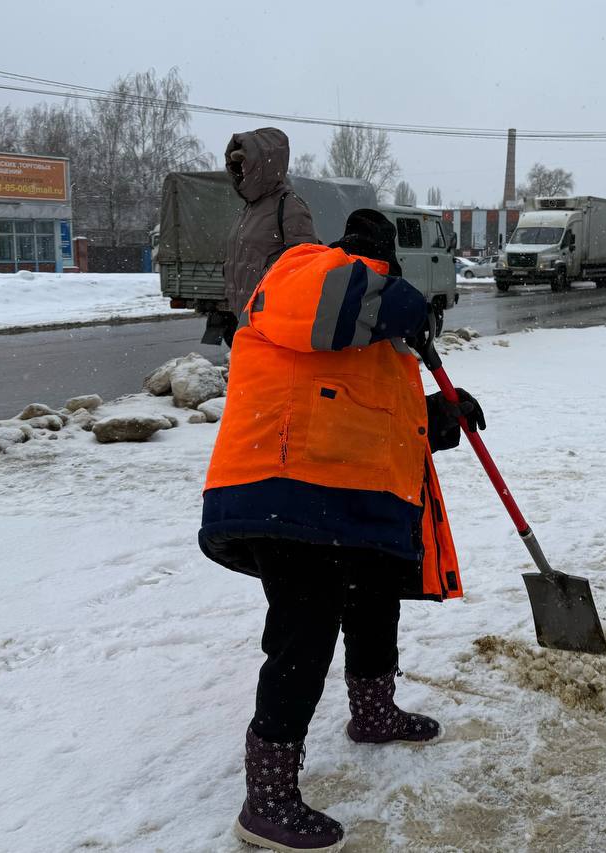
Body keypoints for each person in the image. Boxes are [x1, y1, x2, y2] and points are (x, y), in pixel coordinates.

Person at [198, 209, 486, 852]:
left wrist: (443, 413)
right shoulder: (304, 272)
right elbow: (325, 305)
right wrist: (391, 291)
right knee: (304, 635)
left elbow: (375, 418)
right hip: (287, 491)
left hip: (346, 499)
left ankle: (374, 711)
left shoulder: (373, 333)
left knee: (375, 597)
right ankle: (266, 799)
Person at [207, 127, 317, 347]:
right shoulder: (249, 209)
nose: (240, 170)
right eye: (236, 164)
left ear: (264, 165)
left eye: (245, 163)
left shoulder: (289, 206)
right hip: (246, 317)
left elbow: (306, 268)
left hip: (273, 323)